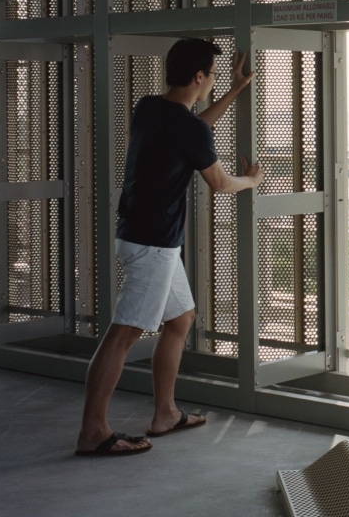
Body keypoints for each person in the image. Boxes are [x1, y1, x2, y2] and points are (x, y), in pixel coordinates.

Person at [74, 38, 262, 457]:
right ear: (199, 76)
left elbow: (195, 130)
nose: (213, 80)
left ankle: (165, 414)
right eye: (213, 75)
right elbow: (218, 182)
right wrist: (251, 181)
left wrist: (234, 89)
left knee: (182, 319)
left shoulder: (150, 107)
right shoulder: (185, 125)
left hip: (144, 237)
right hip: (153, 244)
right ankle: (93, 432)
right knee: (122, 335)